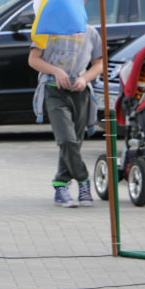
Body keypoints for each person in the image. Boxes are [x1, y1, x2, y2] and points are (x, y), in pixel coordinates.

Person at [28, 24, 102, 207]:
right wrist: (55, 70)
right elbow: (33, 59)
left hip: (80, 93)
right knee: (66, 140)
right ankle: (83, 179)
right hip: (54, 91)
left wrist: (84, 78)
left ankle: (61, 186)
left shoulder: (91, 32)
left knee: (74, 142)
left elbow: (99, 63)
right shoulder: (47, 26)